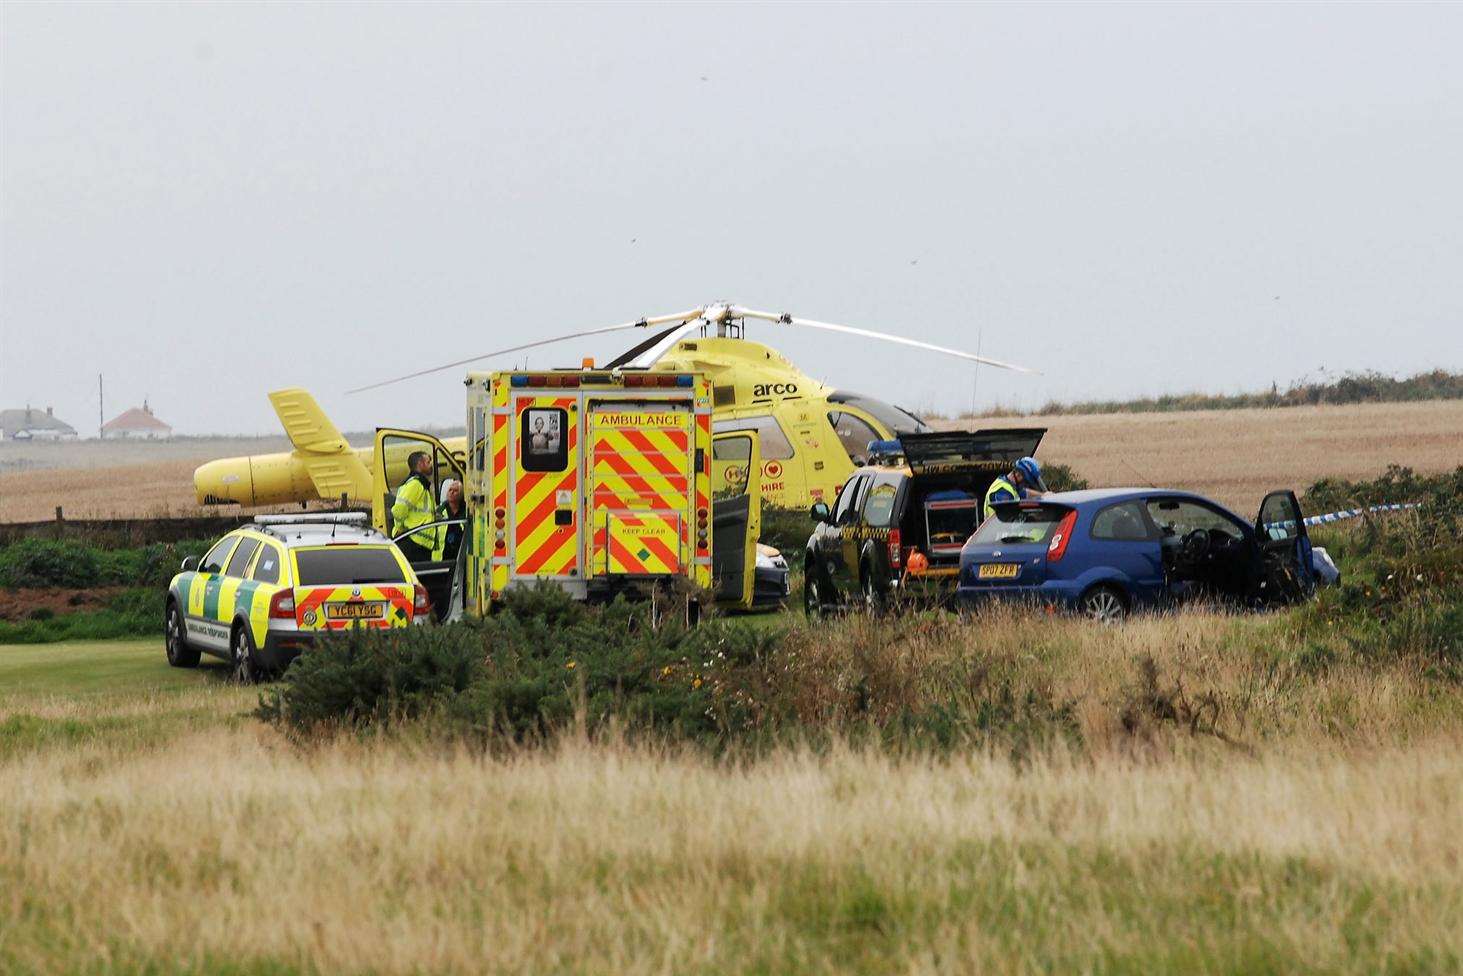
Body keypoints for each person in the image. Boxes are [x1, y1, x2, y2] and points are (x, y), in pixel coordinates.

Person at [391, 451, 439, 562]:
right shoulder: (415, 484)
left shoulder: (421, 484)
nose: (431, 465)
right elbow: (399, 511)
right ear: (420, 464)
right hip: (414, 543)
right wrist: (400, 529)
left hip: (420, 544)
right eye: (428, 462)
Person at [983, 456, 1047, 521]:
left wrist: (1044, 495)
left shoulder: (1010, 485)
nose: (1026, 485)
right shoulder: (1002, 492)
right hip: (997, 530)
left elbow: (1024, 492)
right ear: (1017, 475)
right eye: (1025, 481)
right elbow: (1010, 520)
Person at [433, 479, 467, 562]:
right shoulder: (439, 511)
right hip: (442, 557)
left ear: (461, 494)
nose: (451, 493)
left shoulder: (466, 512)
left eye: (455, 491)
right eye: (450, 490)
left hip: (461, 557)